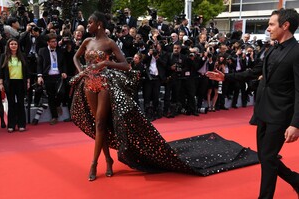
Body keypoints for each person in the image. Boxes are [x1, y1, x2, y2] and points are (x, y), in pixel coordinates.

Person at [71, 11, 259, 182]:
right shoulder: (87, 41)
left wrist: (105, 62)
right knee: (98, 124)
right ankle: (108, 159)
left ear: (99, 24)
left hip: (104, 83)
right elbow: (75, 57)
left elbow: (125, 65)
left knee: (102, 123)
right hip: (88, 84)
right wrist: (82, 72)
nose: (88, 25)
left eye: (90, 22)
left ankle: (94, 164)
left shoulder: (109, 43)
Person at [206, 8, 299, 199]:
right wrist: (226, 77)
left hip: (281, 115)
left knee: (267, 157)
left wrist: (296, 124)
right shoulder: (272, 48)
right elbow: (254, 70)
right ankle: (296, 181)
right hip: (263, 111)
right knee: (266, 157)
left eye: (272, 24)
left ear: (286, 25)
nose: (268, 28)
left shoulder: (297, 53)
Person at [0, 38, 30, 132]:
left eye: (15, 44)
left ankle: (21, 124)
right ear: (8, 46)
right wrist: (0, 83)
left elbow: (27, 71)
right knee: (11, 104)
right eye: (11, 44)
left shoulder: (23, 56)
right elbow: (0, 72)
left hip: (20, 82)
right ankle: (11, 125)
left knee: (20, 103)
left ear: (18, 46)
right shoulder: (4, 56)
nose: (13, 45)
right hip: (9, 83)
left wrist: (28, 82)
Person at [37, 33, 67, 125]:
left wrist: (64, 71)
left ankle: (58, 105)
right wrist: (39, 76)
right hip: (48, 76)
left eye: (56, 41)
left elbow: (63, 63)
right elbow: (39, 64)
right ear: (48, 42)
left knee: (61, 92)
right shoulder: (42, 51)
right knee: (51, 97)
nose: (55, 43)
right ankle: (54, 117)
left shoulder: (60, 51)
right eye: (53, 41)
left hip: (58, 76)